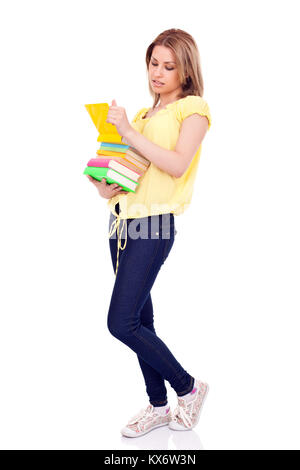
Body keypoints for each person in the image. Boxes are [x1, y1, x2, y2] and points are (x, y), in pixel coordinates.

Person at [86, 28, 212, 438]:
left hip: (154, 227)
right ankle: (158, 404)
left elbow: (176, 165)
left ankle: (188, 388)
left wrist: (128, 134)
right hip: (120, 226)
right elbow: (126, 179)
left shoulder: (192, 109)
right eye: (154, 63)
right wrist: (105, 179)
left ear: (185, 71)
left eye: (169, 66)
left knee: (120, 323)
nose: (158, 73)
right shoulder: (142, 115)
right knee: (141, 321)